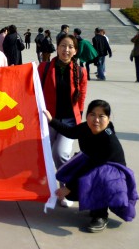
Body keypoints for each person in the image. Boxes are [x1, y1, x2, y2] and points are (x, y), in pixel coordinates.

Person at [43, 100, 138, 233]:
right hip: (93, 166)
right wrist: (51, 120)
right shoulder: (86, 127)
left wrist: (69, 188)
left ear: (108, 119)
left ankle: (101, 215)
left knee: (98, 177)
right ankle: (95, 205)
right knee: (77, 176)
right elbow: (70, 132)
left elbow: (92, 168)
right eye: (92, 114)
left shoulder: (109, 141)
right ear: (87, 116)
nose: (96, 120)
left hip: (113, 176)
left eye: (101, 116)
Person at [38, 34, 88, 207]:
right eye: (63, 46)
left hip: (69, 122)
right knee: (43, 155)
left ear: (75, 51)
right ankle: (43, 187)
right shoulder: (44, 67)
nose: (66, 50)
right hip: (48, 119)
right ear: (57, 47)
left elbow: (82, 97)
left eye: (70, 47)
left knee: (60, 154)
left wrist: (78, 117)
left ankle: (65, 190)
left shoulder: (80, 71)